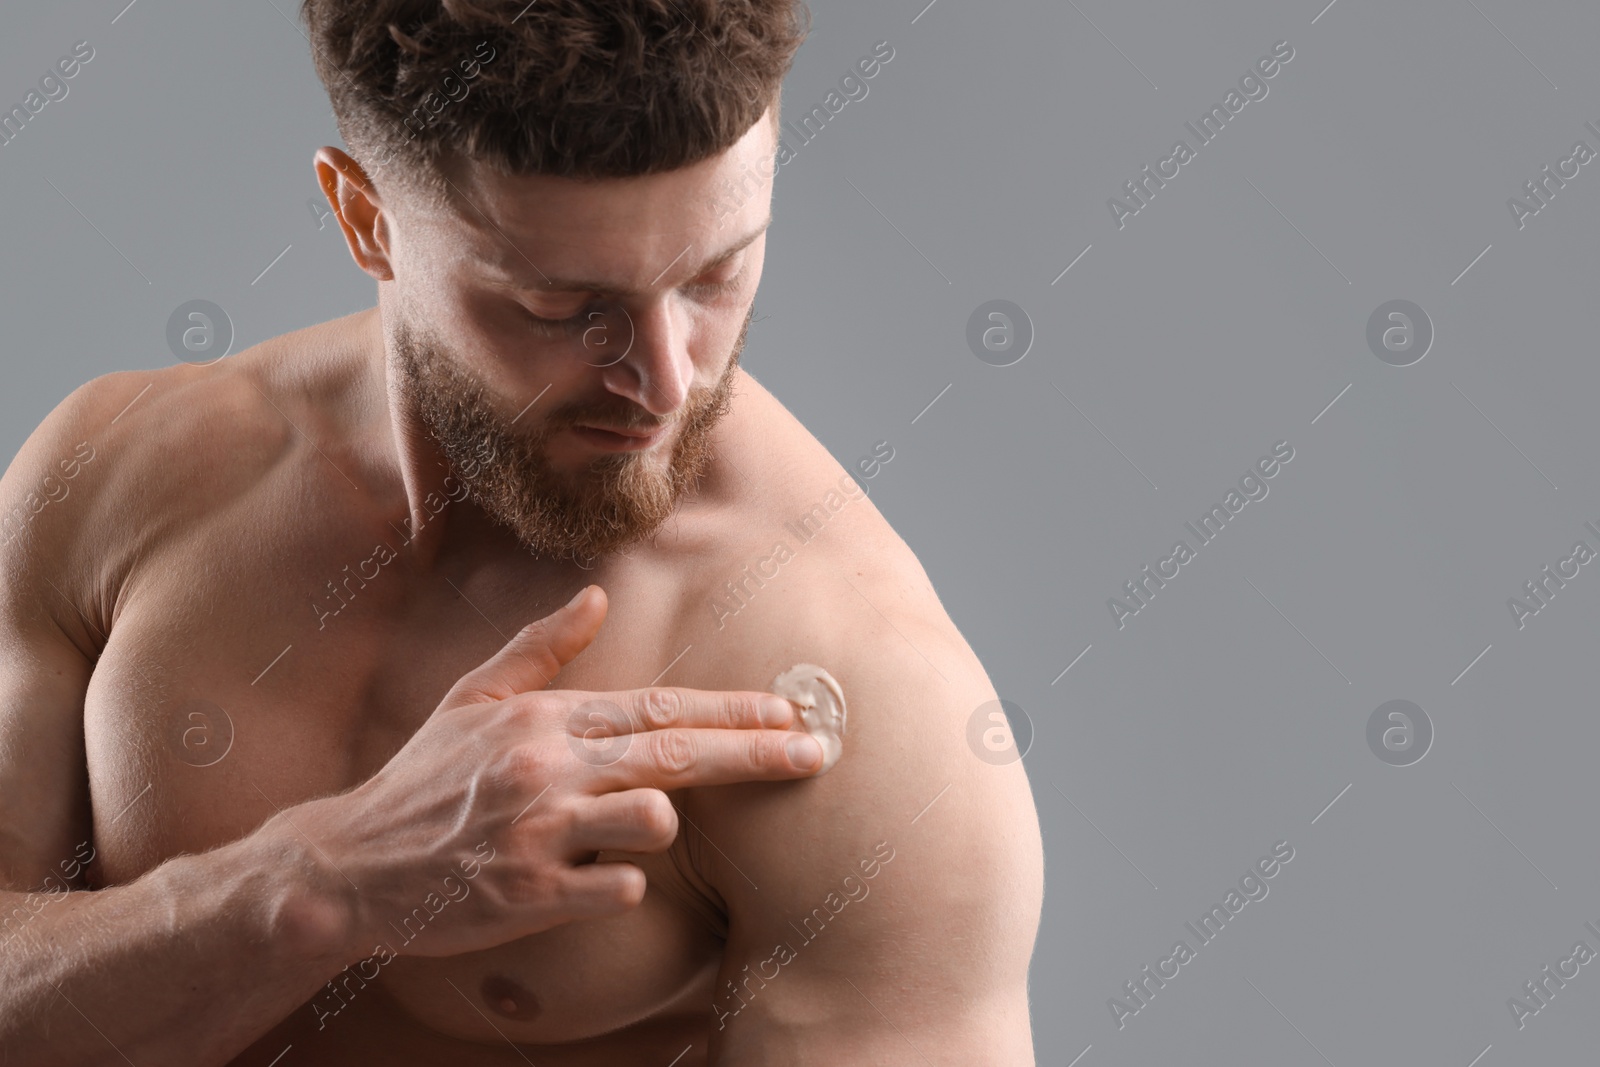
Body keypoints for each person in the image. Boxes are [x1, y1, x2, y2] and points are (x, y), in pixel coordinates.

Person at [0, 1, 1044, 1063]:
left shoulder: (848, 686)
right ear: (365, 219)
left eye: (715, 274)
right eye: (560, 307)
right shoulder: (112, 483)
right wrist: (314, 888)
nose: (664, 381)